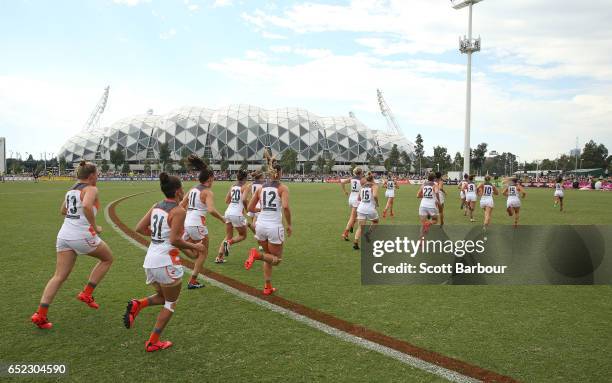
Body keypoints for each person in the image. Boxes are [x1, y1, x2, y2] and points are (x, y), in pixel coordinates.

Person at [124, 173, 204, 352]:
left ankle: (139, 304)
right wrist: (196, 246)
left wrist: (159, 237)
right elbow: (175, 240)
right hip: (166, 261)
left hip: (150, 261)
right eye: (182, 189)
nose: (183, 192)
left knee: (163, 297)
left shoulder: (156, 206)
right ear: (177, 191)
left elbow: (139, 228)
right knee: (170, 303)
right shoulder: (179, 211)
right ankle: (153, 342)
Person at [31, 161, 114, 329]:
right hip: (81, 235)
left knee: (59, 276)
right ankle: (87, 293)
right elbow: (86, 206)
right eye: (97, 174)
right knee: (107, 259)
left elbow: (63, 210)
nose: (98, 177)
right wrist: (94, 227)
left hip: (64, 235)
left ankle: (40, 314)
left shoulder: (71, 190)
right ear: (91, 176)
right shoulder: (91, 188)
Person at [244, 151, 292, 295]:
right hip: (273, 227)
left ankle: (267, 286)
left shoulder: (260, 188)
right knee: (276, 260)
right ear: (279, 173)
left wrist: (263, 208)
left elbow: (251, 208)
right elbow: (285, 207)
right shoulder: (283, 188)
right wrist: (289, 224)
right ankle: (255, 255)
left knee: (267, 256)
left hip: (260, 226)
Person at [179, 155, 225, 289]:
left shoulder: (193, 189)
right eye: (213, 178)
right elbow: (211, 210)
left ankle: (180, 245)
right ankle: (192, 281)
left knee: (196, 253)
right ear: (210, 178)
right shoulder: (207, 192)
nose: (214, 180)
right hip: (197, 223)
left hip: (188, 222)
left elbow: (182, 204)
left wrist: (191, 213)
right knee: (203, 252)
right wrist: (222, 218)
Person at [216, 170, 250, 263]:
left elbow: (226, 200)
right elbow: (244, 200)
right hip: (236, 214)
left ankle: (219, 257)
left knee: (228, 235)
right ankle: (229, 243)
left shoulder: (233, 186)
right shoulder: (245, 187)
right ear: (245, 178)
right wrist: (247, 210)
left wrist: (234, 202)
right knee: (243, 235)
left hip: (228, 212)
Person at [353, 172, 379, 250]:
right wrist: (377, 203)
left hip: (361, 209)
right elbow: (374, 195)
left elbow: (358, 199)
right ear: (373, 179)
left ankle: (356, 243)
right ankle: (368, 233)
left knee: (360, 227)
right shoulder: (374, 186)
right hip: (370, 208)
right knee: (375, 221)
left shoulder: (362, 187)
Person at [340, 167, 364, 241]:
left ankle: (351, 226)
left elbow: (342, 182)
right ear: (360, 173)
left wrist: (344, 191)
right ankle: (345, 233)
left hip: (351, 198)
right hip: (357, 199)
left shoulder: (351, 178)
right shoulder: (362, 180)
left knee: (356, 215)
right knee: (353, 217)